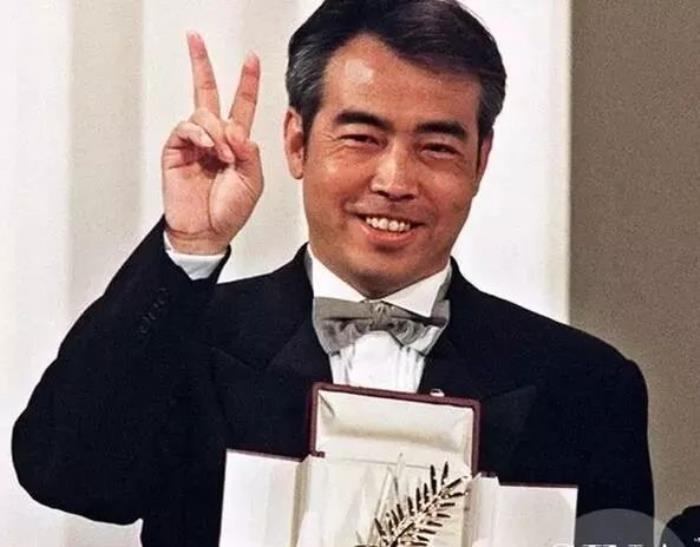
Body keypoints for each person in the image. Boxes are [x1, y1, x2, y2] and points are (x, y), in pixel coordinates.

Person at [13, 1, 653, 546]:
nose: (395, 181)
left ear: (480, 161)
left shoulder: (587, 386)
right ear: (297, 142)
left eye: (436, 146)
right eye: (362, 138)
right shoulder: (192, 342)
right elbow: (67, 475)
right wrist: (191, 245)